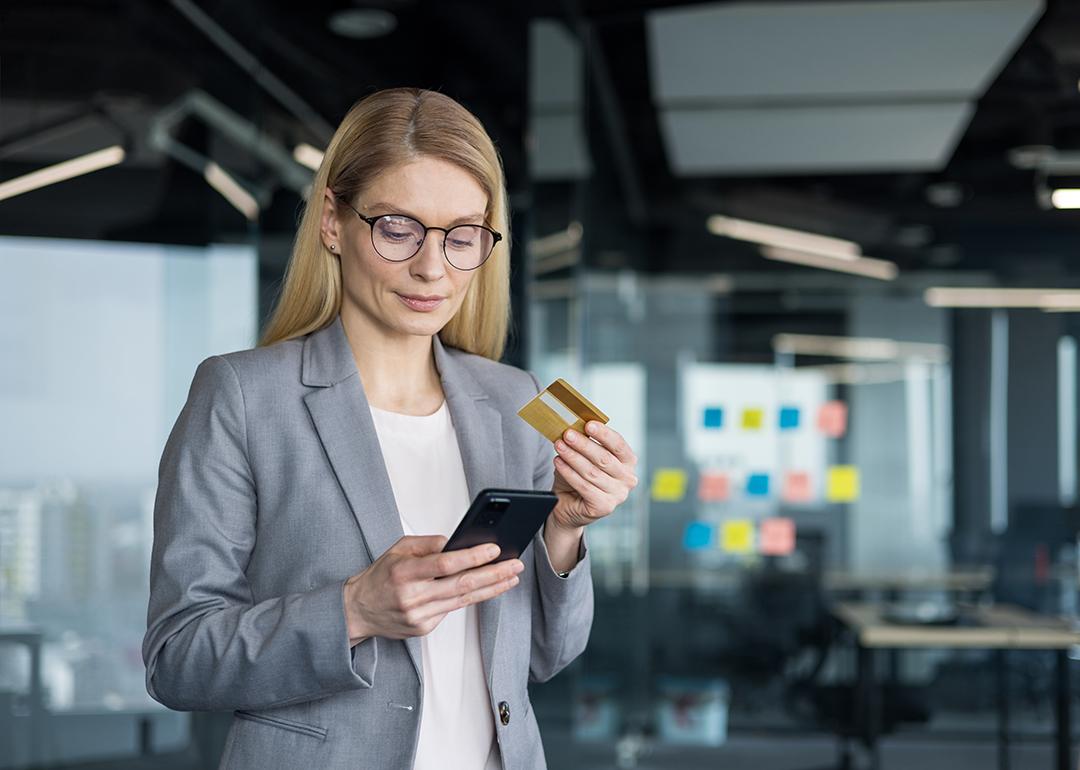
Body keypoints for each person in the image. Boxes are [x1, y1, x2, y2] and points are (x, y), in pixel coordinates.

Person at [142, 87, 639, 770]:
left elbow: (547, 657)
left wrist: (567, 529)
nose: (432, 267)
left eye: (462, 236)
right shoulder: (244, 396)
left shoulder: (512, 401)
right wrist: (353, 610)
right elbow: (178, 659)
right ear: (332, 222)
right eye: (399, 228)